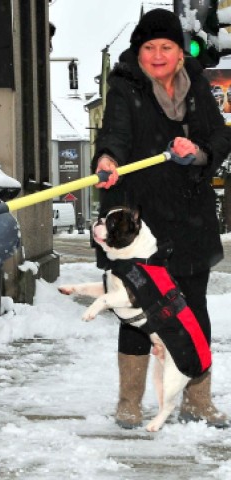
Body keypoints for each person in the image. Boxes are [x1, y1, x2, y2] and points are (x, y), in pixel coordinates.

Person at [92, 8, 231, 429]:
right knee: (138, 308)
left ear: (178, 50)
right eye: (149, 47)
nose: (157, 55)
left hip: (188, 214)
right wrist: (108, 158)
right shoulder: (125, 87)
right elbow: (113, 132)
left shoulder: (198, 88)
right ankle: (130, 402)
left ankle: (197, 399)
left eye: (165, 46)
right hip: (138, 217)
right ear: (139, 51)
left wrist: (200, 152)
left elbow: (221, 135)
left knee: (193, 311)